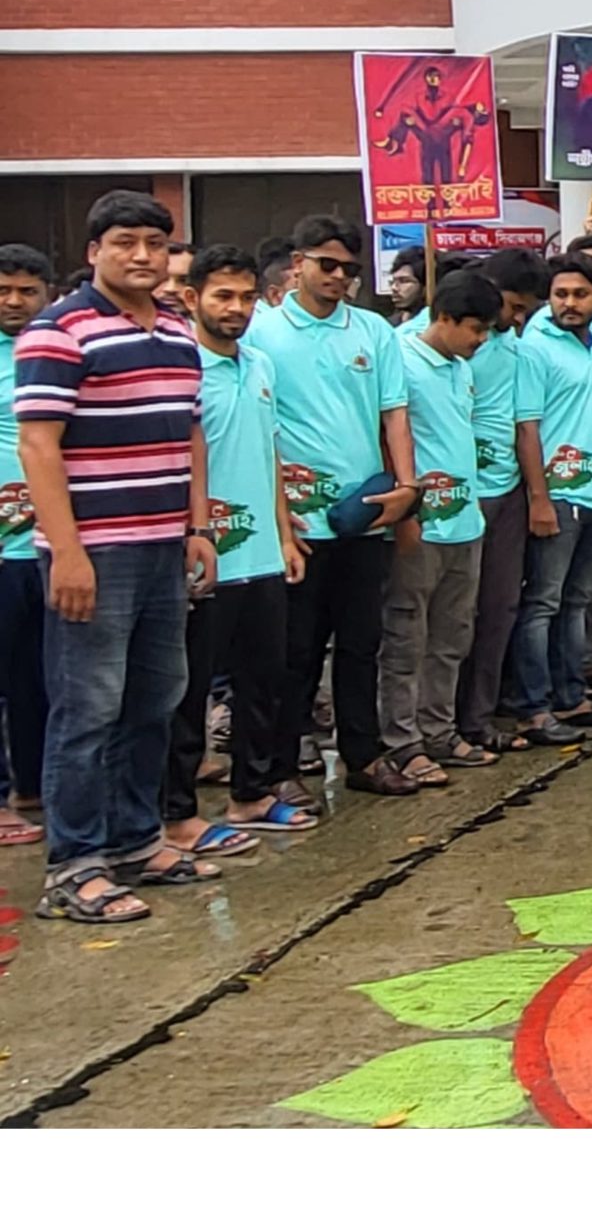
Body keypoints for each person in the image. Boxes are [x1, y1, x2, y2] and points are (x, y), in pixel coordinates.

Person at [14, 191, 219, 920]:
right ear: (94, 251)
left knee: (154, 699)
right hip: (95, 554)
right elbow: (38, 445)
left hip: (162, 546)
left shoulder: (176, 328)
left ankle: (137, 841)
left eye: (155, 244)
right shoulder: (58, 331)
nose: (142, 255)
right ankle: (74, 866)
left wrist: (197, 526)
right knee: (88, 710)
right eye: (125, 242)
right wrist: (67, 552)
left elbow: (189, 433)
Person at [244, 214, 420, 795]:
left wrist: (406, 491)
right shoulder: (261, 333)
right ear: (298, 264)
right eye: (327, 264)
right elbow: (259, 428)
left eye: (349, 268)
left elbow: (394, 414)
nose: (339, 277)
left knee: (361, 643)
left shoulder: (372, 330)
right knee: (295, 650)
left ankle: (363, 757)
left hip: (363, 513)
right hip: (298, 519)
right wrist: (277, 515)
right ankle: (283, 767)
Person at [162, 244, 311, 853]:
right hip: (205, 556)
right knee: (188, 692)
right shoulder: (180, 367)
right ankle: (176, 815)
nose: (237, 308)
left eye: (247, 297)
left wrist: (284, 535)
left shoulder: (260, 365)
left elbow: (269, 453)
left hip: (263, 557)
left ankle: (251, 794)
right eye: (223, 296)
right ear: (191, 298)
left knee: (263, 681)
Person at [418, 247, 547, 762]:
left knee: (496, 609)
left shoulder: (517, 352)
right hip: (440, 501)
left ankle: (476, 717)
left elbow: (526, 427)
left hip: (501, 493)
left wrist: (537, 496)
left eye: (523, 311)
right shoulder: (421, 345)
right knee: (434, 619)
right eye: (512, 307)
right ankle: (430, 724)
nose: (514, 320)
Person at [379, 269, 502, 786]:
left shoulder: (460, 367)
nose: (481, 340)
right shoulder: (399, 359)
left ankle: (439, 730)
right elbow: (388, 435)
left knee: (452, 636)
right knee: (406, 636)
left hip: (464, 520)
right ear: (445, 318)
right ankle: (401, 742)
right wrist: (405, 509)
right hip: (421, 523)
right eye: (475, 329)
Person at [509, 251, 592, 743]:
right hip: (559, 495)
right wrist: (539, 498)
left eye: (580, 294)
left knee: (578, 600)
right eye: (560, 294)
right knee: (543, 602)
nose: (569, 303)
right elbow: (527, 428)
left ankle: (573, 697)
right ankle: (534, 707)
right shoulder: (535, 347)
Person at [0, 244, 50, 847]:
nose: (14, 301)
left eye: (26, 291)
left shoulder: (55, 351)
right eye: (3, 290)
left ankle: (34, 787)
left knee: (42, 675)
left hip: (50, 545)